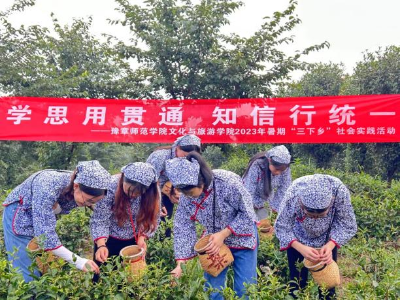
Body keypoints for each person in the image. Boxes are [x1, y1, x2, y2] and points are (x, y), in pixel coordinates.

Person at [166, 152, 258, 300]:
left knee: (245, 289)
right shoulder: (186, 195)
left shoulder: (227, 182)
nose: (188, 196)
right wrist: (180, 264)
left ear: (201, 181)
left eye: (190, 192)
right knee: (213, 290)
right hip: (213, 243)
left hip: (242, 236)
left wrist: (223, 234)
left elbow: (248, 214)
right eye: (183, 192)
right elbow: (183, 227)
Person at [2, 160, 111, 282]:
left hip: (38, 217)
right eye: (89, 201)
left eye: (94, 202)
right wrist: (79, 261)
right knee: (26, 272)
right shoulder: (48, 185)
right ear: (76, 186)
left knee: (43, 267)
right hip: (19, 214)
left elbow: (49, 222)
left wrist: (56, 208)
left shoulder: (78, 186)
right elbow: (46, 237)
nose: (89, 204)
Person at [275, 174, 357, 299]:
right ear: (301, 203)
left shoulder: (339, 191)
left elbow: (347, 224)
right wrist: (300, 247)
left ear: (330, 204)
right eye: (310, 213)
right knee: (297, 282)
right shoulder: (294, 193)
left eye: (321, 214)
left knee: (328, 286)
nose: (315, 217)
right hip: (297, 239)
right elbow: (282, 226)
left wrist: (330, 246)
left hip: (327, 240)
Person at [90, 162, 160, 282]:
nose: (132, 195)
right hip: (108, 238)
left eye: (137, 193)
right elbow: (100, 218)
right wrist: (101, 245)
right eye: (129, 190)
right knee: (103, 277)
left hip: (133, 239)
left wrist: (142, 237)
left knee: (131, 279)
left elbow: (152, 217)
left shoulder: (152, 193)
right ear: (123, 179)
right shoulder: (110, 186)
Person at [146, 134, 201, 237]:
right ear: (177, 148)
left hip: (166, 191)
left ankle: (164, 245)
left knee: (166, 219)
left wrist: (175, 192)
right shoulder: (160, 157)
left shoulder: (191, 159)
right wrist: (158, 203)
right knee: (153, 219)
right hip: (151, 190)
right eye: (185, 156)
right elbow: (152, 181)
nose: (186, 159)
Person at [242, 145, 292, 220]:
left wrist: (275, 212)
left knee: (267, 223)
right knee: (250, 223)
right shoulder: (257, 165)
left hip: (266, 200)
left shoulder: (285, 170)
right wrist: (250, 209)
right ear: (269, 161)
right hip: (249, 200)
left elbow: (283, 191)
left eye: (282, 171)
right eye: (277, 169)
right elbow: (248, 191)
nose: (278, 173)